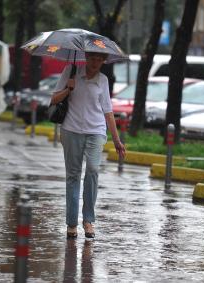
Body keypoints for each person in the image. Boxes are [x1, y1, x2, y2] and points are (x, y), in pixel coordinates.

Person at [51, 52, 126, 239]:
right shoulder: (71, 70)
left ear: (103, 61)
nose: (95, 62)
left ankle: (88, 220)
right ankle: (71, 224)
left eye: (100, 59)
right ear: (86, 56)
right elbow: (53, 100)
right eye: (92, 58)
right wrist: (68, 89)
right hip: (71, 130)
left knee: (92, 169)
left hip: (96, 131)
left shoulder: (103, 80)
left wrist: (116, 140)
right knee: (73, 176)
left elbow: (108, 112)